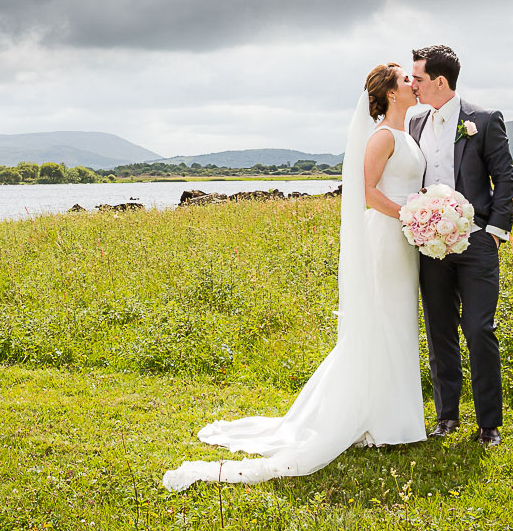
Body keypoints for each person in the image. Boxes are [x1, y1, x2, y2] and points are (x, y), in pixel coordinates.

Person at [163, 63, 427, 491]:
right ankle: (375, 420)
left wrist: (423, 215)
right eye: (406, 81)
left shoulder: (407, 135)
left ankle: (395, 418)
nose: (413, 85)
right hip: (386, 238)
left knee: (398, 325)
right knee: (382, 324)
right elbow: (369, 191)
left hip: (405, 241)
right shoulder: (381, 137)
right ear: (391, 93)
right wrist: (412, 215)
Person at [408, 45, 513, 447]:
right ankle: (446, 417)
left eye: (417, 78)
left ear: (439, 81)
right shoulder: (415, 122)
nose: (413, 85)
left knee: (478, 328)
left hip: (476, 244)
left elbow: (505, 179)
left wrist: (494, 231)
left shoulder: (484, 120)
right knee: (439, 332)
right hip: (430, 247)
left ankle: (489, 424)